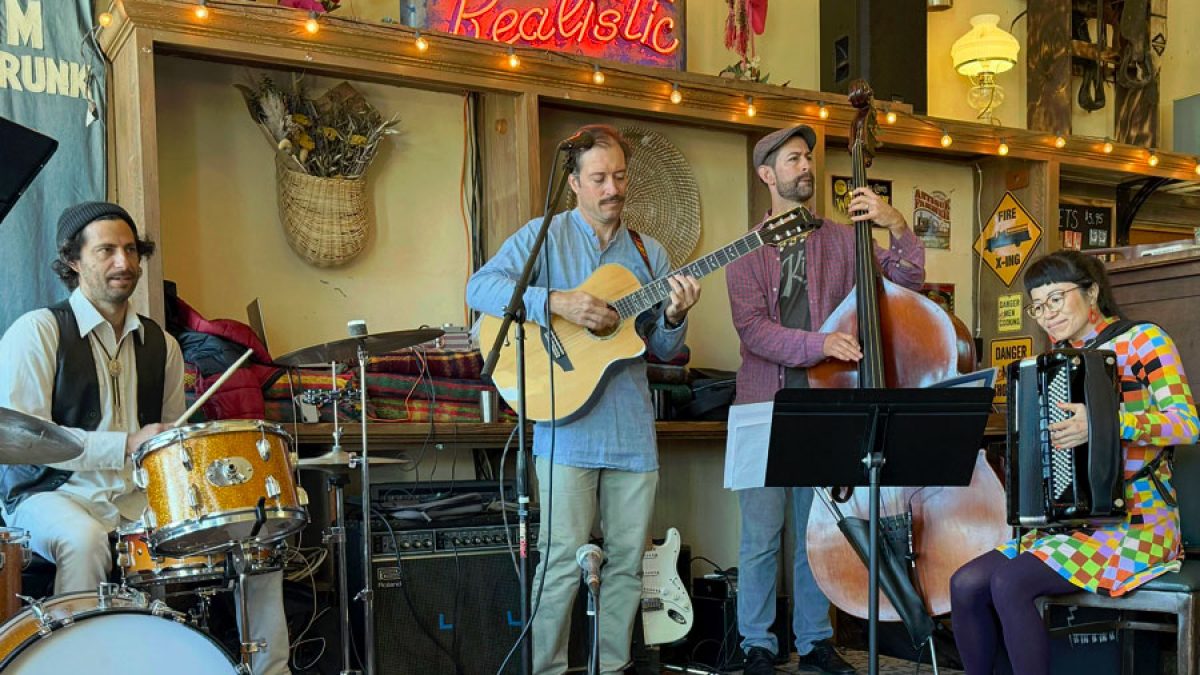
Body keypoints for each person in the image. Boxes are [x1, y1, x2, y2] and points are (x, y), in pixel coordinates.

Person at [0, 201, 292, 675]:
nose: (124, 263)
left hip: (136, 496)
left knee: (252, 536)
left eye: (131, 250)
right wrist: (127, 443)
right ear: (74, 261)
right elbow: (24, 439)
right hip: (48, 492)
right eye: (107, 251)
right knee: (85, 539)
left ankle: (270, 670)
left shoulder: (163, 344)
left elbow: (165, 441)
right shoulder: (37, 331)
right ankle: (77, 667)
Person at [466, 124, 701, 674]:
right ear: (573, 183)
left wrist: (675, 314)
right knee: (558, 565)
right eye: (598, 178)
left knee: (625, 565)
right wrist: (558, 303)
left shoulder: (651, 251)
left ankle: (612, 668)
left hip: (631, 431)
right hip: (565, 429)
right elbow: (481, 287)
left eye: (619, 176)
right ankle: (545, 669)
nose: (611, 188)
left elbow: (666, 348)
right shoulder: (543, 236)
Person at [725, 124, 926, 675]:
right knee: (761, 537)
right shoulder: (744, 253)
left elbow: (909, 280)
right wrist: (820, 344)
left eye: (807, 158)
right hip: (763, 408)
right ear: (767, 174)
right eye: (792, 160)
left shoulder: (843, 237)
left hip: (826, 408)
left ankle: (815, 642)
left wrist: (896, 225)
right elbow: (752, 331)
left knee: (815, 534)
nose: (805, 167)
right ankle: (757, 645)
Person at [949, 250, 1198, 675]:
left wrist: (1106, 423)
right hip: (1074, 526)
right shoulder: (1058, 357)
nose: (1047, 314)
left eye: (1057, 299)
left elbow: (1187, 426)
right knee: (966, 584)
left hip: (1139, 523)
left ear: (1092, 292)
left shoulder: (1144, 340)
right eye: (1038, 305)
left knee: (1011, 583)